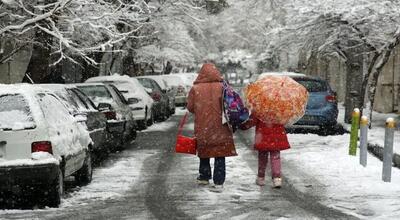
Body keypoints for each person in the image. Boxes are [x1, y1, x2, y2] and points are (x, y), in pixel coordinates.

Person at [187, 63, 237, 192]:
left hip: (203, 125)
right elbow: (231, 105)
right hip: (221, 125)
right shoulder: (223, 87)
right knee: (220, 152)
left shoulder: (195, 88)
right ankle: (219, 181)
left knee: (204, 149)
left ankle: (204, 176)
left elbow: (190, 108)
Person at [240, 114, 290, 188]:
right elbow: (285, 120)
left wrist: (243, 126)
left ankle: (261, 178)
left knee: (262, 158)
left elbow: (252, 121)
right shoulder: (279, 107)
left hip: (262, 136)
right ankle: (277, 178)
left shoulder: (260, 107)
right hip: (276, 136)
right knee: (275, 157)